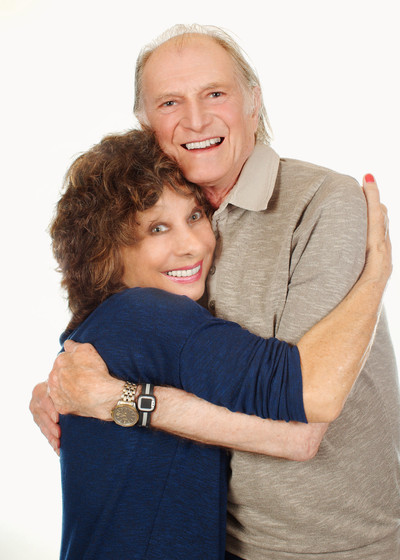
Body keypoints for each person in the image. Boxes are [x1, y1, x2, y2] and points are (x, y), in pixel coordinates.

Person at [31, 24, 399, 559]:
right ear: (145, 122)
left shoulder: (326, 204)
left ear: (254, 102)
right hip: (213, 537)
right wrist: (58, 389)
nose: (197, 119)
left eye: (215, 93)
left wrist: (376, 277)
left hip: (328, 546)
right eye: (170, 101)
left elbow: (304, 422)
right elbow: (112, 333)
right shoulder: (166, 207)